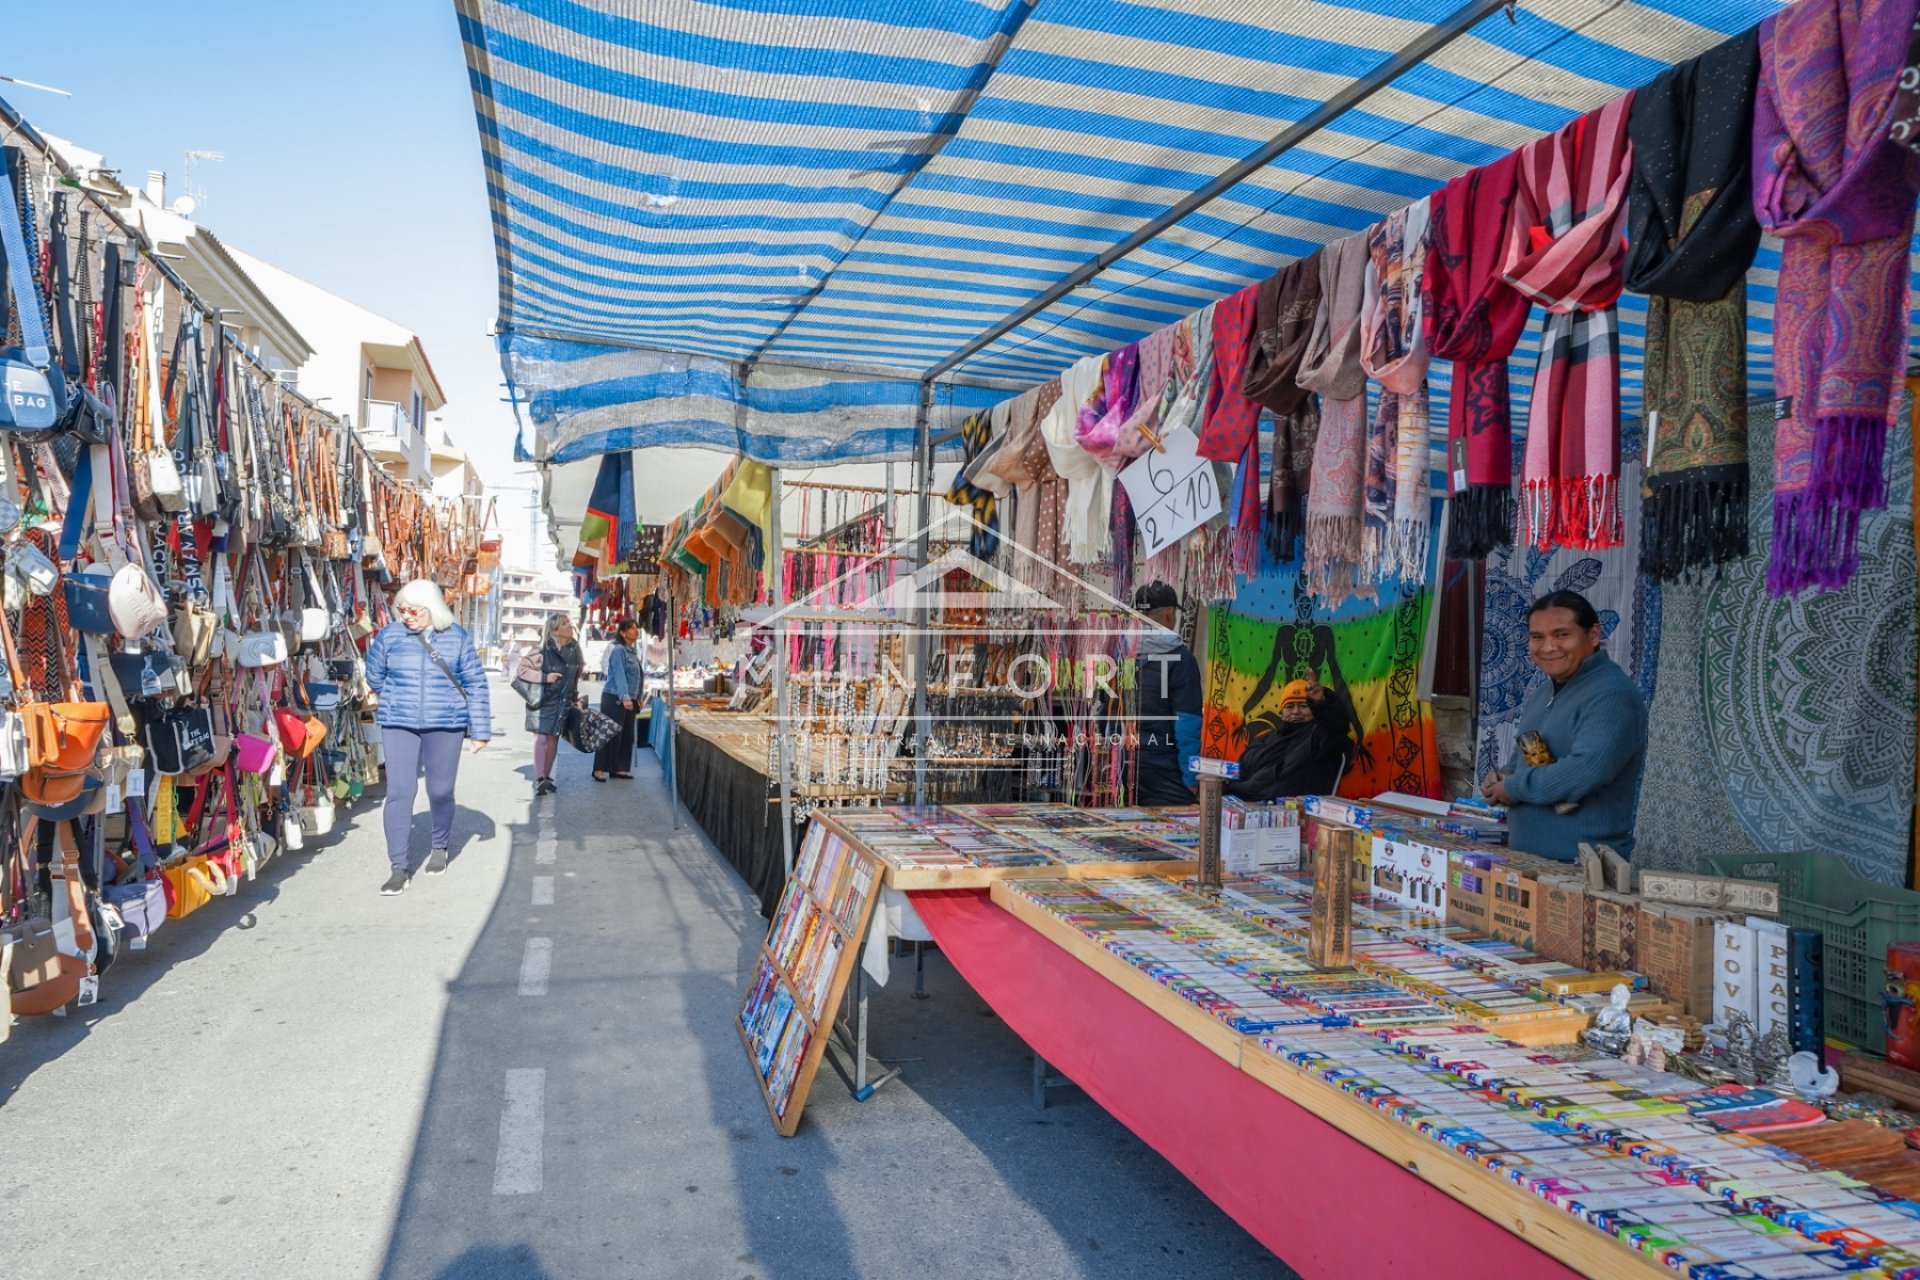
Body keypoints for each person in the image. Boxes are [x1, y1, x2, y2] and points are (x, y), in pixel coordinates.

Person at [1480, 589, 1648, 861]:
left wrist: (1512, 787)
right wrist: (1503, 776)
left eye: (1561, 635)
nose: (1548, 647)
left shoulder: (1612, 694)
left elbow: (1585, 770)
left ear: (1593, 635)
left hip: (1581, 868)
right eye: (1537, 637)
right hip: (1530, 861)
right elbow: (1525, 758)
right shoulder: (1544, 692)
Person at [365, 579, 492, 896]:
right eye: (402, 609)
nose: (406, 616)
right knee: (399, 791)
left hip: (446, 722)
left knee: (440, 790)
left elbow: (475, 684)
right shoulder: (390, 636)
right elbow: (374, 675)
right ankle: (398, 867)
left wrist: (480, 731)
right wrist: (397, 697)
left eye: (413, 610)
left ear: (432, 608)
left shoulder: (457, 637)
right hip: (399, 722)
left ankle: (439, 846)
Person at [1225, 673, 1353, 801]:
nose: (1296, 711)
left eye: (1303, 706)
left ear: (1314, 709)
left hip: (1290, 807)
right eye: (1290, 706)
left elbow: (1336, 723)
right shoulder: (1266, 739)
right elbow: (1241, 769)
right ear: (1282, 712)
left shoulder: (1322, 737)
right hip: (1244, 799)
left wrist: (1321, 702)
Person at [1132, 581, 1202, 806]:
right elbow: (1187, 725)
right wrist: (1191, 779)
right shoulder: (1181, 660)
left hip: (1123, 765)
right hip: (1163, 767)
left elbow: (1105, 712)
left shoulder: (1120, 653)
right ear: (1170, 614)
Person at [514, 612, 583, 796]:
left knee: (553, 740)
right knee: (541, 738)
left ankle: (546, 777)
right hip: (544, 700)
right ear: (556, 630)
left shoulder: (574, 649)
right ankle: (539, 779)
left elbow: (574, 678)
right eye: (565, 623)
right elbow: (522, 670)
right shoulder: (542, 649)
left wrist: (574, 698)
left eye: (569, 622)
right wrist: (545, 677)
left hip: (563, 701)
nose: (570, 625)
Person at [593, 618, 644, 781]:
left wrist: (639, 696)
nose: (636, 630)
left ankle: (619, 768)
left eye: (636, 627)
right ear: (622, 632)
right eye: (631, 628)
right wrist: (625, 697)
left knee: (626, 734)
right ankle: (599, 768)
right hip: (615, 696)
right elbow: (619, 674)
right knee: (609, 732)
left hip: (629, 697)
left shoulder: (632, 652)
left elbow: (638, 676)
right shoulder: (618, 650)